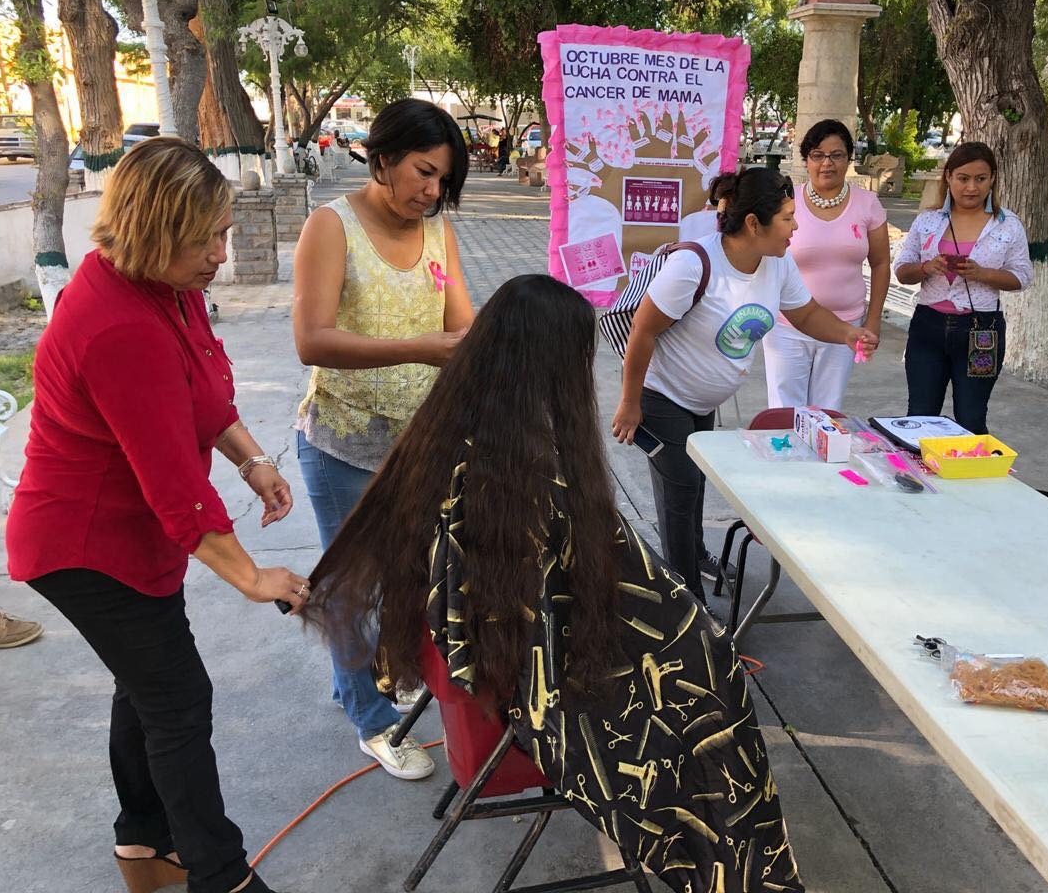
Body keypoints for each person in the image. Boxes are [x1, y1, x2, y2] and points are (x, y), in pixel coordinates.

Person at [304, 275, 805, 892]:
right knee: (712, 696)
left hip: (490, 649)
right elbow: (602, 599)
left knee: (703, 657)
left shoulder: (447, 435)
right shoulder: (525, 477)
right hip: (531, 680)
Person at [6, 138, 307, 893]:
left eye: (225, 232)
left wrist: (251, 456)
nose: (218, 253)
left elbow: (202, 396)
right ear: (149, 229)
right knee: (177, 701)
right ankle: (221, 875)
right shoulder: (119, 325)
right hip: (83, 543)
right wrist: (253, 577)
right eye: (203, 238)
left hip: (133, 535)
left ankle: (144, 845)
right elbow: (178, 492)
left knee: (144, 686)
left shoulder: (163, 289)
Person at [293, 97, 473, 780]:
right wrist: (417, 348)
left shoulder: (439, 235)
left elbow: (458, 321)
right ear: (383, 157)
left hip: (419, 445)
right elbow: (312, 339)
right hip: (342, 444)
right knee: (346, 587)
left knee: (411, 574)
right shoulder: (330, 227)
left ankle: (375, 676)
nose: (431, 192)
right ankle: (370, 718)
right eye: (423, 174)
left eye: (442, 182)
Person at [611, 168, 878, 604]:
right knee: (678, 494)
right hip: (662, 397)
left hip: (701, 401)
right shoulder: (693, 265)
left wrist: (847, 333)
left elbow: (806, 313)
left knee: (694, 483)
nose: (796, 228)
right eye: (789, 218)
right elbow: (642, 330)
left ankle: (695, 556)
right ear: (754, 224)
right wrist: (629, 403)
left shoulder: (776, 262)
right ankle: (688, 605)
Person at [892, 141, 1033, 434]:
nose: (971, 188)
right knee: (920, 415)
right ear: (948, 177)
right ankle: (918, 478)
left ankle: (968, 477)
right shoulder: (928, 222)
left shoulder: (1007, 225)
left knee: (971, 417)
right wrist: (925, 268)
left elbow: (1022, 277)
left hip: (982, 331)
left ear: (992, 178)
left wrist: (983, 274)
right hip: (928, 327)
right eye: (963, 178)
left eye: (980, 179)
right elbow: (902, 271)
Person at [763, 119, 890, 410]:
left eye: (836, 155)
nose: (827, 164)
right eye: (818, 155)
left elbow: (881, 263)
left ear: (848, 159)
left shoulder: (867, 203)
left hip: (845, 327)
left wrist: (872, 322)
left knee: (826, 412)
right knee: (784, 411)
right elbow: (766, 257)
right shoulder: (785, 201)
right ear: (806, 160)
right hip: (787, 325)